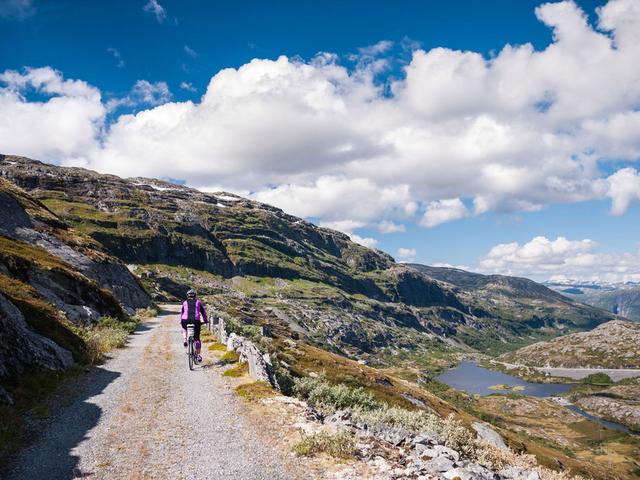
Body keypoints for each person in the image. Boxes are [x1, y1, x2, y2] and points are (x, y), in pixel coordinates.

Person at [180, 289, 208, 362]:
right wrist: (205, 321)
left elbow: (182, 313)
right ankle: (198, 355)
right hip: (196, 321)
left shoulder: (185, 302)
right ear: (195, 296)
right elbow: (203, 313)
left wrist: (181, 321)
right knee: (196, 338)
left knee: (184, 328)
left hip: (185, 320)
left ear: (187, 296)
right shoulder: (198, 302)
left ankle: (185, 339)